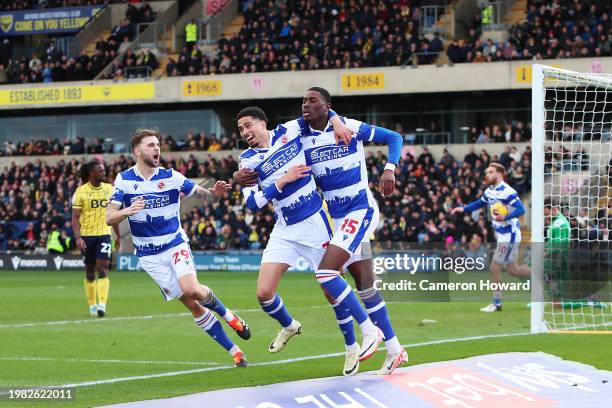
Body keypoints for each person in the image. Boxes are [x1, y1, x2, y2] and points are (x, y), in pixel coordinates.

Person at [235, 87, 407, 374]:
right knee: (365, 286)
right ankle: (394, 349)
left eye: (312, 101)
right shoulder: (300, 138)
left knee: (328, 275)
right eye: (303, 101)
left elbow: (393, 137)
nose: (305, 105)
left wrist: (389, 167)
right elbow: (251, 197)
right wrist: (240, 178)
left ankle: (366, 334)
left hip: (356, 211)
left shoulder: (331, 128)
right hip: (327, 220)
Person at [105, 128, 251, 367]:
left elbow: (203, 194)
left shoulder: (172, 177)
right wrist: (126, 211)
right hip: (149, 256)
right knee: (191, 304)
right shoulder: (124, 180)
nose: (157, 148)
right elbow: (109, 218)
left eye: (158, 144)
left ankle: (230, 316)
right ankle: (235, 351)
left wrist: (214, 194)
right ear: (137, 151)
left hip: (174, 244)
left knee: (192, 288)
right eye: (151, 145)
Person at [451, 162, 530, 312]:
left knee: (494, 268)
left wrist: (505, 215)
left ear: (500, 174)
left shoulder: (508, 191)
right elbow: (479, 203)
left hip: (509, 234)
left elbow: (521, 209)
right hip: (502, 234)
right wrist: (463, 208)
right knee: (513, 270)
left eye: (491, 172)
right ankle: (539, 275)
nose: (487, 174)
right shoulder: (490, 191)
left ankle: (497, 303)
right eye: (487, 172)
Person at [71, 160, 120, 317]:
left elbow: (113, 214)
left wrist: (118, 235)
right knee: (90, 272)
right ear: (91, 174)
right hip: (86, 236)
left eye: (103, 170)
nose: (103, 173)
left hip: (104, 234)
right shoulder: (80, 192)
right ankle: (92, 305)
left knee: (103, 269)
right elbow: (75, 217)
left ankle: (102, 305)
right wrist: (78, 238)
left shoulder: (109, 189)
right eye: (100, 171)